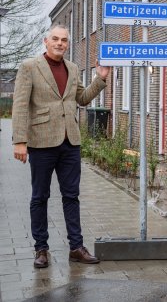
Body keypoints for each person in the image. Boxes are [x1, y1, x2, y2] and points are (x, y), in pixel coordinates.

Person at [12, 24, 110, 268]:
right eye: (55, 39)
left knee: (71, 196)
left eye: (64, 40)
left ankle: (76, 247)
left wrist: (101, 78)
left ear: (68, 43)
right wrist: (20, 141)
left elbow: (82, 99)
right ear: (46, 41)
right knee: (39, 197)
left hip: (70, 142)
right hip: (42, 142)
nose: (59, 43)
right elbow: (20, 105)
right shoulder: (29, 67)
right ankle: (41, 249)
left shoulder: (73, 68)